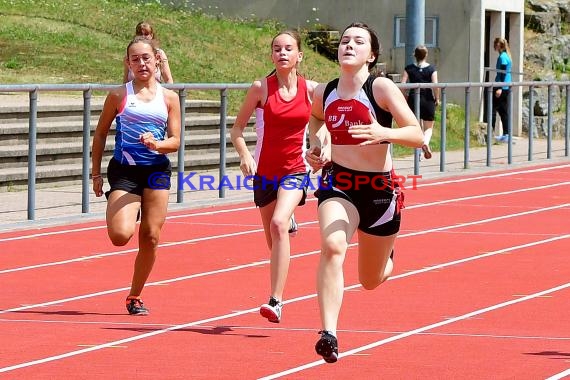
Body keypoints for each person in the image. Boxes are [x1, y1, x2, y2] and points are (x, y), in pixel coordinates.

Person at [305, 22, 423, 363]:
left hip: (378, 190)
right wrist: (317, 145)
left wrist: (383, 132)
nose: (349, 45)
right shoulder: (324, 91)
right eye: (344, 41)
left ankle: (388, 258)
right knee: (332, 245)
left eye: (358, 41)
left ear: (371, 55)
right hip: (339, 181)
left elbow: (416, 134)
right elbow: (315, 121)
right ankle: (329, 332)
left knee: (370, 280)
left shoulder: (381, 88)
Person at [230, 30, 318, 323]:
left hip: (294, 170)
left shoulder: (311, 89)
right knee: (273, 239)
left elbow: (326, 121)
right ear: (272, 55)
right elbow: (237, 130)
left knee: (279, 225)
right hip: (265, 173)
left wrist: (321, 146)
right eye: (277, 49)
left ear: (299, 56)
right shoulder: (260, 89)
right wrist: (245, 155)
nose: (282, 53)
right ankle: (287, 216)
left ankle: (276, 301)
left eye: (288, 48)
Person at [92, 36, 181, 315]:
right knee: (120, 235)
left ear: (156, 59)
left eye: (146, 57)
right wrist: (95, 174)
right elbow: (101, 132)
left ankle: (135, 296)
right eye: (135, 59)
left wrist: (158, 144)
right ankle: (131, 207)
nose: (141, 63)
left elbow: (175, 141)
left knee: (151, 237)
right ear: (128, 63)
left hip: (156, 172)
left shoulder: (169, 98)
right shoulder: (119, 95)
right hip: (125, 171)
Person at [401, 45, 440, 159]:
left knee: (416, 128)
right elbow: (435, 85)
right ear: (426, 55)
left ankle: (417, 154)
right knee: (428, 128)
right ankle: (426, 143)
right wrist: (437, 98)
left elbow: (402, 84)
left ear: (415, 55)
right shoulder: (432, 69)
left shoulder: (409, 68)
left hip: (413, 99)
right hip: (427, 99)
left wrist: (404, 97)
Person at [492, 37, 512, 143]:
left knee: (494, 110)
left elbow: (503, 73)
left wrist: (500, 87)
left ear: (499, 45)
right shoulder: (505, 56)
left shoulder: (503, 57)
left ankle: (491, 132)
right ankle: (506, 134)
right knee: (503, 111)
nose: (494, 45)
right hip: (505, 86)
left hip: (502, 86)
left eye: (495, 44)